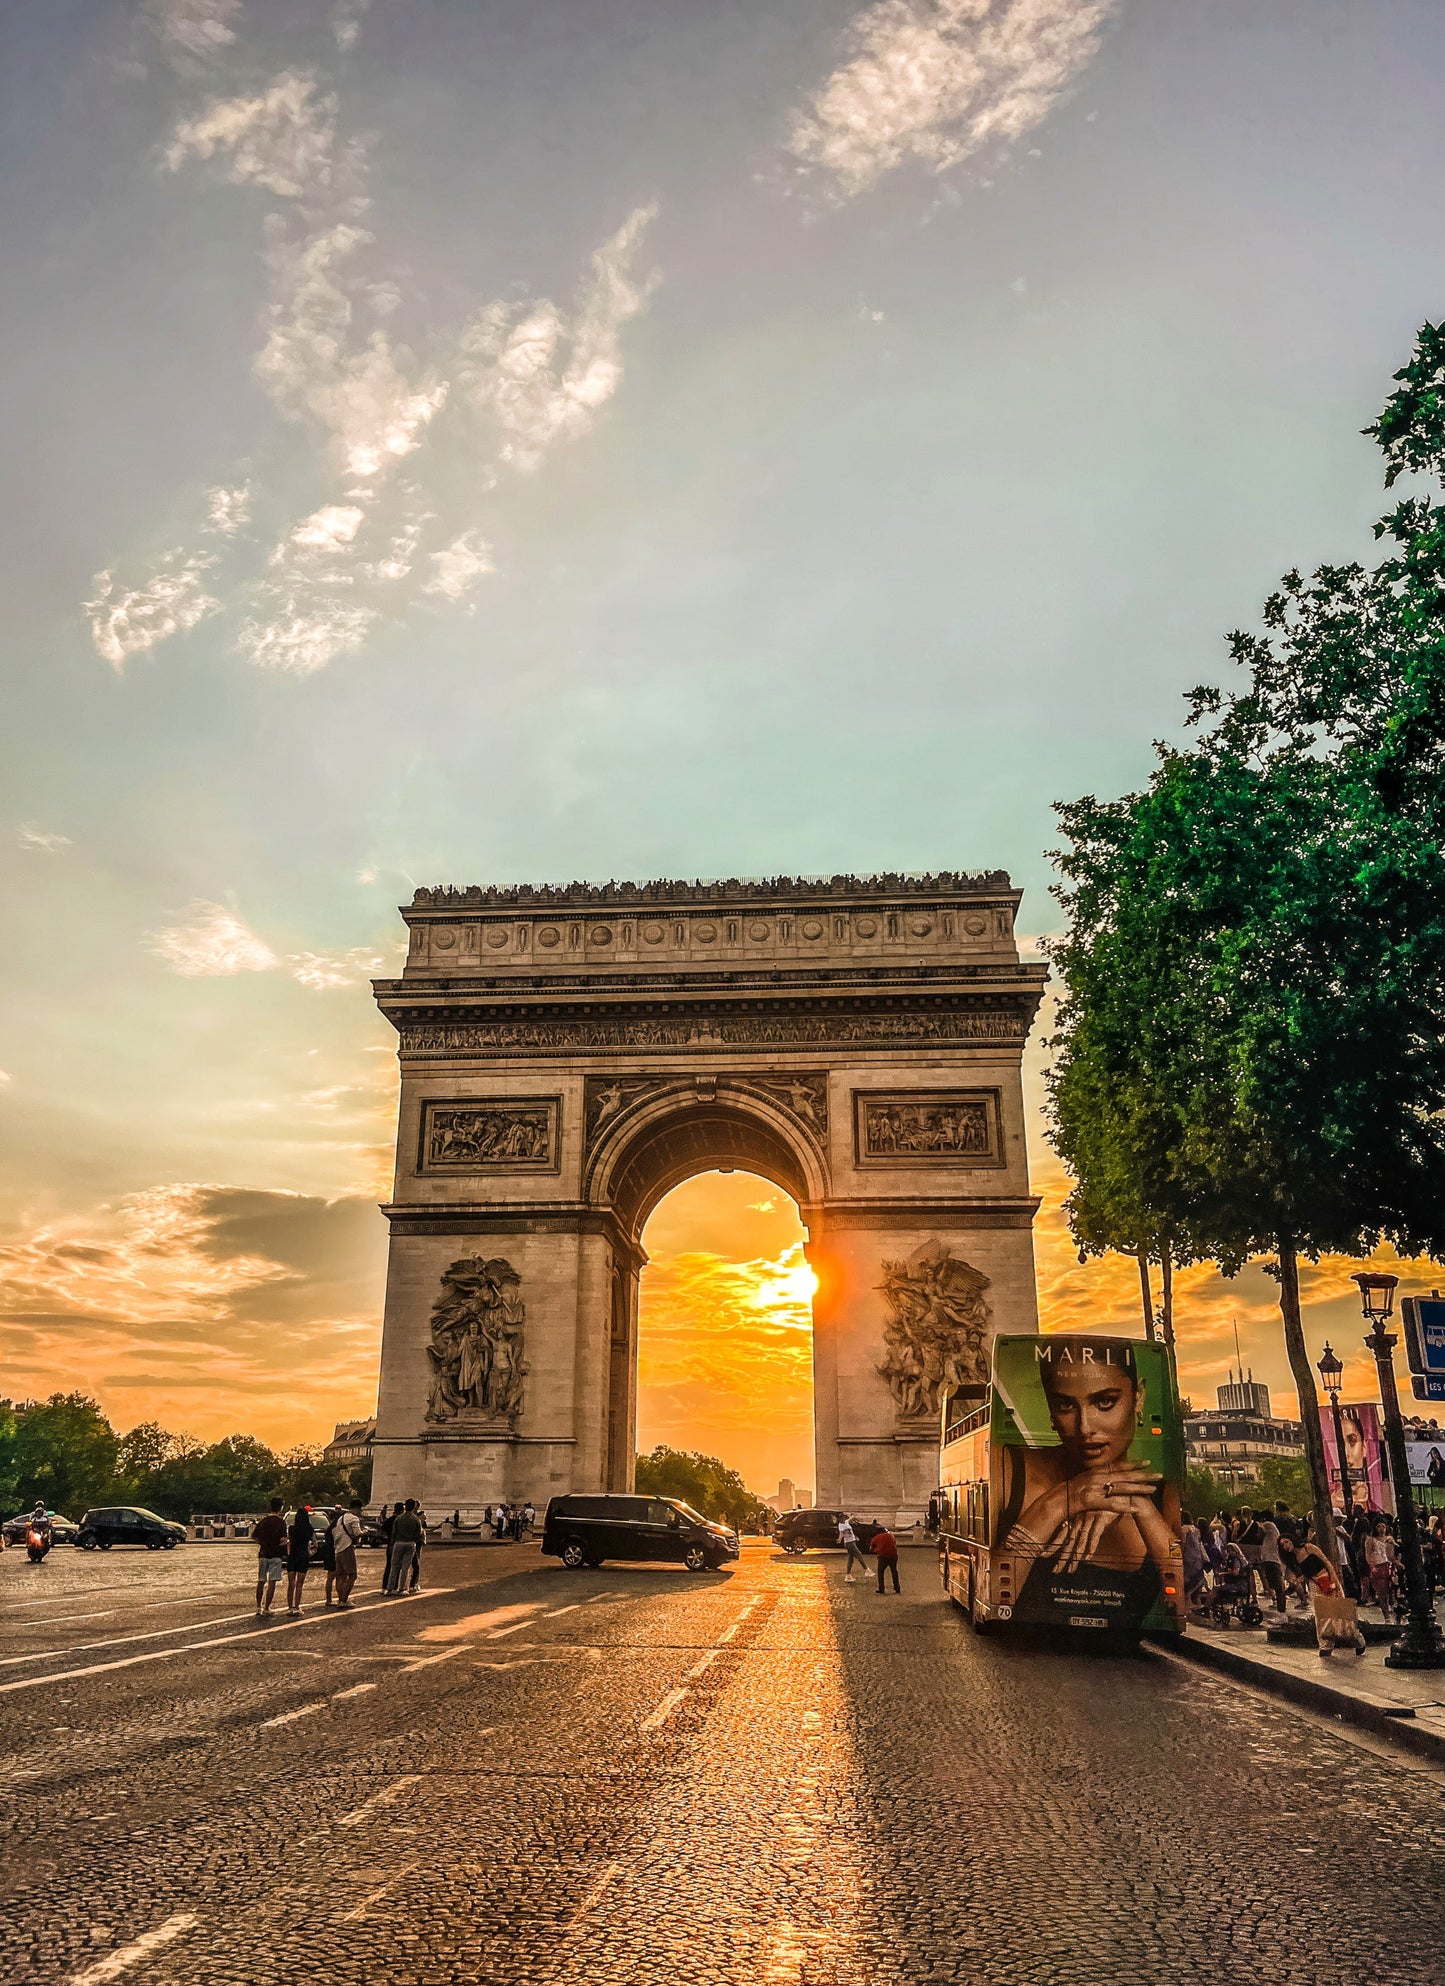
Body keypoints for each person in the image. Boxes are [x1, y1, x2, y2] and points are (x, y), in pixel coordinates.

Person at [999, 1338, 1179, 1633]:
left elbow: (1181, 1604)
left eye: (1105, 1402)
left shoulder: (1161, 1492)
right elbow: (994, 1597)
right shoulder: (1010, 1469)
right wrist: (1058, 1503)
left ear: (1139, 1397)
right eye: (1065, 1404)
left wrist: (1141, 1507)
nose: (1085, 1428)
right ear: (1050, 1409)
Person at [252, 1496, 287, 1618]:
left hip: (263, 1554)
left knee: (261, 1581)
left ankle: (258, 1606)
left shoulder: (263, 1521)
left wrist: (263, 1543)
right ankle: (267, 1607)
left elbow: (255, 1537)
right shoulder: (281, 1522)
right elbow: (283, 1539)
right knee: (272, 1582)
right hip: (275, 1555)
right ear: (281, 1507)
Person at [386, 1499, 424, 1593]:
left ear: (405, 1506)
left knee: (394, 1566)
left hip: (398, 1543)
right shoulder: (416, 1519)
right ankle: (402, 1588)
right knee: (405, 1567)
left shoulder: (399, 1518)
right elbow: (418, 1533)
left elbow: (394, 1532)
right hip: (410, 1543)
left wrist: (393, 1541)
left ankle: (390, 1588)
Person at [331, 1500, 363, 1608]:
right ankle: (344, 1600)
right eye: (360, 1509)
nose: (360, 1512)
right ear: (356, 1508)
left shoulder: (341, 1518)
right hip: (347, 1547)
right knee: (353, 1575)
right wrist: (365, 1533)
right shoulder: (354, 1519)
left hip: (338, 1548)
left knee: (340, 1576)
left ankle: (340, 1599)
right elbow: (357, 1533)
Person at [285, 1505, 314, 1615]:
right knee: (299, 1584)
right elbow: (314, 1543)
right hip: (303, 1556)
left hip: (292, 1556)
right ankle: (297, 1606)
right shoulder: (309, 1529)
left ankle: (289, 1607)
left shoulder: (292, 1529)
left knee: (291, 1583)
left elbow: (289, 1543)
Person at [1364, 1518, 1397, 1615]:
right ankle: (1386, 1615)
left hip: (1389, 1566)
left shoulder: (1389, 1539)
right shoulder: (1370, 1540)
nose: (1382, 1528)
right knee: (1383, 1594)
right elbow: (1368, 1554)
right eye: (1379, 1526)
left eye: (1384, 1526)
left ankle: (1394, 1610)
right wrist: (1372, 1566)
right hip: (1378, 1566)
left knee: (1392, 1591)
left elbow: (1392, 1553)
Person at [1179, 1511, 1206, 1612]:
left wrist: (1180, 1554)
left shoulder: (1184, 1529)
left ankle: (1188, 1599)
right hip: (1197, 1555)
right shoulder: (1196, 1529)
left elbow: (1183, 1543)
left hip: (1188, 1556)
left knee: (1188, 1578)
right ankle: (1198, 1600)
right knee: (1198, 1577)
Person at [838, 1514, 867, 1583]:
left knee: (850, 1559)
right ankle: (866, 1569)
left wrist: (853, 1516)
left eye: (843, 1518)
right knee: (859, 1554)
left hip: (852, 1541)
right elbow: (842, 1533)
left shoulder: (845, 1522)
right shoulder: (841, 1525)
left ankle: (848, 1575)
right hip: (849, 1543)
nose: (843, 1519)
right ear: (839, 1519)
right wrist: (839, 1539)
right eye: (841, 1518)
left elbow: (849, 1520)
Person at [871, 1523, 900, 1594]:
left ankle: (881, 1588)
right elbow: (894, 1544)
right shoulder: (891, 1536)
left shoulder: (876, 1537)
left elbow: (871, 1548)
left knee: (880, 1572)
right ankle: (897, 1588)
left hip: (882, 1556)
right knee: (894, 1571)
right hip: (893, 1555)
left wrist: (875, 1551)